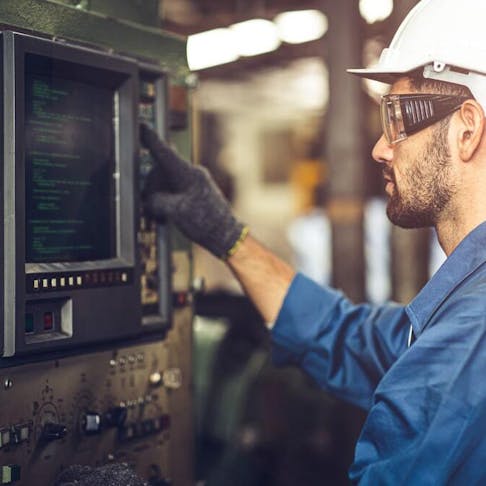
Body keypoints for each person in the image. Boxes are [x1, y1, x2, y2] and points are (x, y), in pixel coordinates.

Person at [140, 0, 486, 483]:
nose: (381, 148)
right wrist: (227, 236)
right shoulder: (459, 311)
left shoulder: (470, 333)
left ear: (467, 129)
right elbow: (347, 337)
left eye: (398, 117)